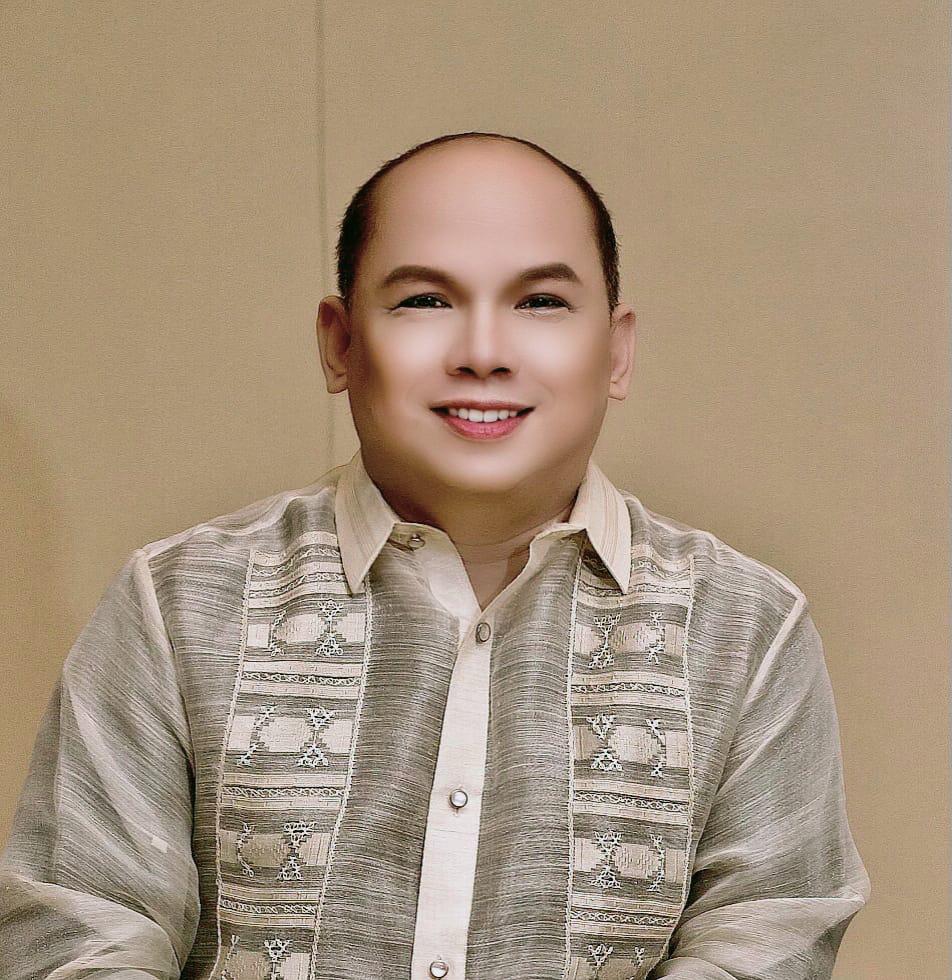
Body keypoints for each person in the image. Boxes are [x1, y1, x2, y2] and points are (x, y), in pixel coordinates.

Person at [0, 130, 870, 980]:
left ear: (617, 350)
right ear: (340, 343)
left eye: (541, 302)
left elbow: (763, 942)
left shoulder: (746, 629)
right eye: (424, 300)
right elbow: (80, 933)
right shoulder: (178, 603)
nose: (483, 353)